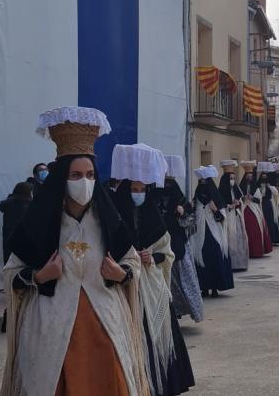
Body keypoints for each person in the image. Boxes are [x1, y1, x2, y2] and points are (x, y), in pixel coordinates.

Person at [2, 107, 148, 396]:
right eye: (77, 175)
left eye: (91, 175)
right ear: (61, 178)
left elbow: (131, 260)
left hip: (105, 321)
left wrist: (122, 273)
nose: (85, 182)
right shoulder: (40, 223)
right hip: (50, 325)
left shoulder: (108, 220)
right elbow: (12, 273)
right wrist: (40, 276)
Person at [111, 144, 195, 395]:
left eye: (142, 189)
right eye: (134, 189)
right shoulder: (115, 217)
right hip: (124, 288)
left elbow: (167, 252)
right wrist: (128, 258)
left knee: (159, 337)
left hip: (152, 286)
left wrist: (152, 256)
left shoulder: (152, 216)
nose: (138, 193)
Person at [160, 157, 205, 324]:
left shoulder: (173, 189)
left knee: (181, 279)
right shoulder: (155, 190)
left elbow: (187, 210)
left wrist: (181, 211)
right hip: (161, 243)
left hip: (176, 242)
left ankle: (178, 310)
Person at [191, 166, 234, 298]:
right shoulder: (196, 199)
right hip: (199, 235)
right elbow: (192, 214)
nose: (203, 186)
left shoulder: (216, 198)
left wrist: (215, 209)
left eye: (205, 182)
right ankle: (204, 288)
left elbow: (222, 218)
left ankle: (215, 287)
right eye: (201, 183)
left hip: (213, 234)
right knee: (201, 258)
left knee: (214, 255)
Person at [219, 160, 250, 272]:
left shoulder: (235, 188)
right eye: (231, 178)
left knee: (239, 239)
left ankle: (239, 263)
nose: (232, 180)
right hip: (228, 218)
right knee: (230, 239)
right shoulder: (222, 190)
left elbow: (240, 198)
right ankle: (230, 264)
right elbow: (220, 204)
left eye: (233, 178)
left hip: (237, 217)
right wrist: (230, 206)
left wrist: (239, 202)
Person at [239, 161, 272, 258]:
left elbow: (259, 199)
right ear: (245, 176)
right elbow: (238, 197)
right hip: (244, 209)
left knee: (255, 229)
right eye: (248, 176)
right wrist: (244, 198)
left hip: (254, 209)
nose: (249, 177)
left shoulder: (256, 188)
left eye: (251, 175)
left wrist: (252, 198)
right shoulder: (241, 187)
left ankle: (256, 251)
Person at [0, 182, 34, 265]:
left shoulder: (8, 203)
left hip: (8, 237)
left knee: (8, 262)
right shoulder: (28, 205)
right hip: (23, 238)